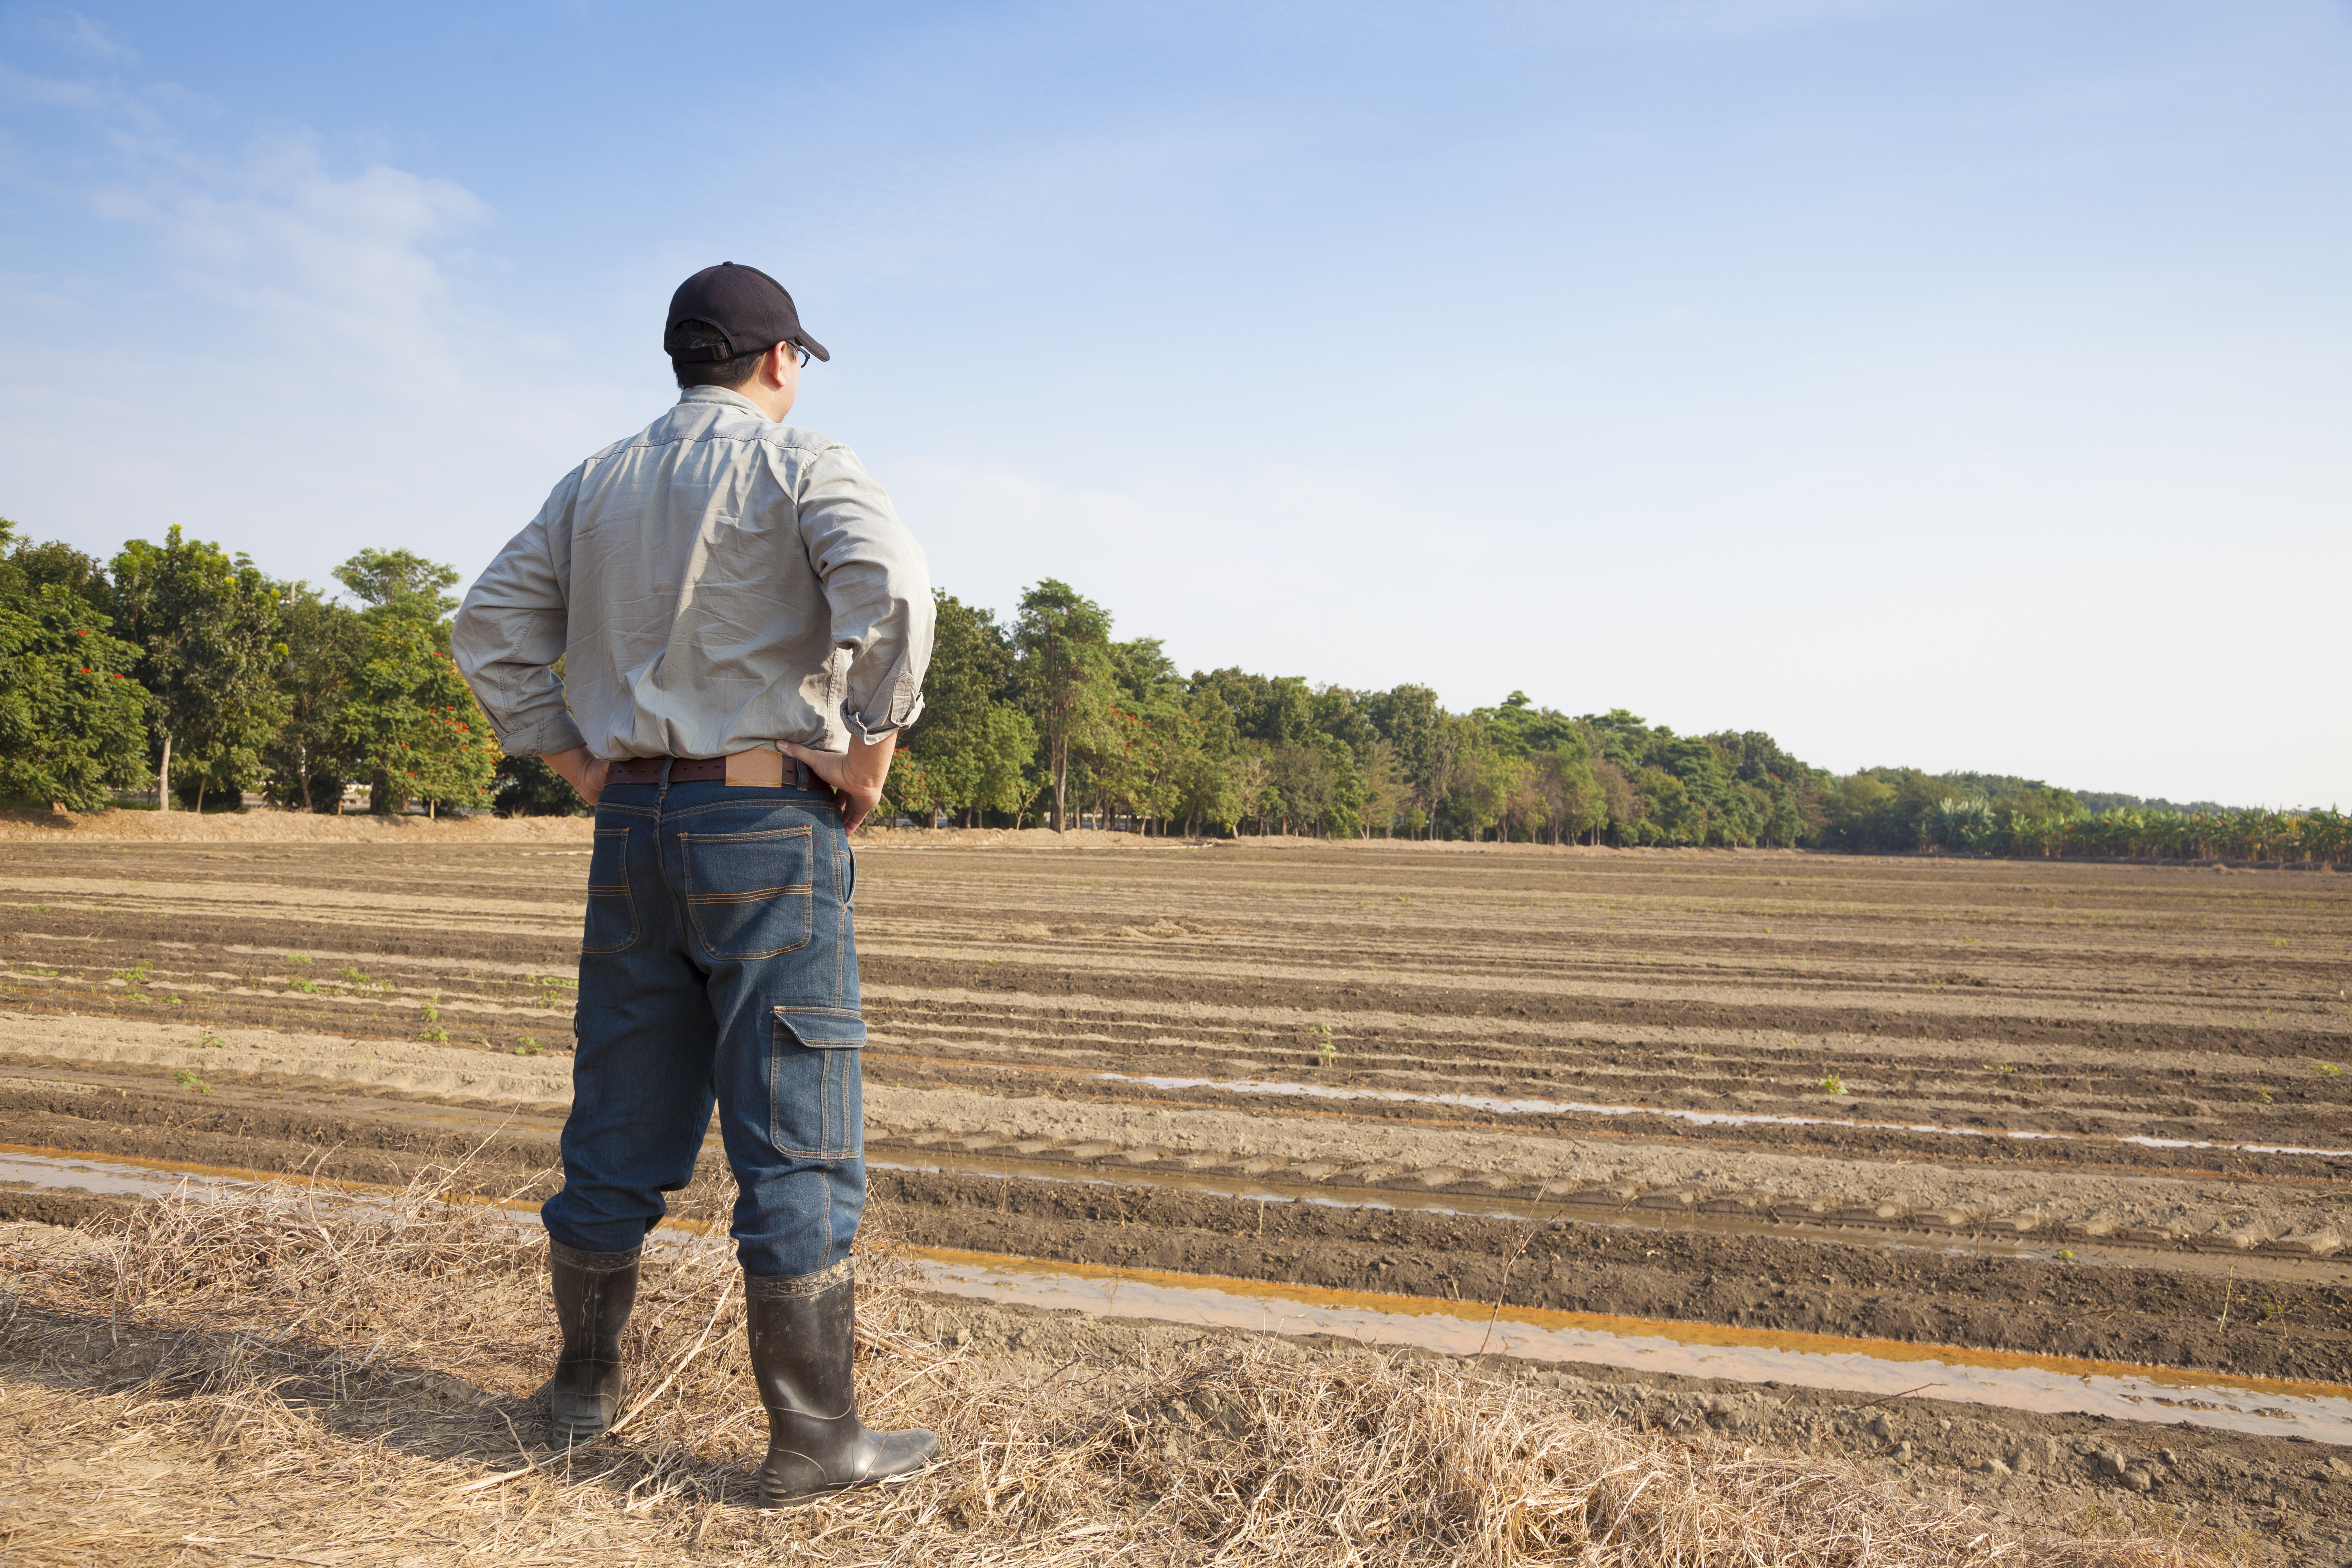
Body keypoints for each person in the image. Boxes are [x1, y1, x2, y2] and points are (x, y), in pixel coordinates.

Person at [451, 262, 938, 1508]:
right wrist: (870, 753)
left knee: (621, 1104)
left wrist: (573, 760)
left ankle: (576, 1394)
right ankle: (816, 1438)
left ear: (681, 362)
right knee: (795, 1125)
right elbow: (892, 592)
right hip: (766, 819)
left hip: (634, 826)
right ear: (781, 361)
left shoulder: (597, 481)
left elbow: (491, 622)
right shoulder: (805, 464)